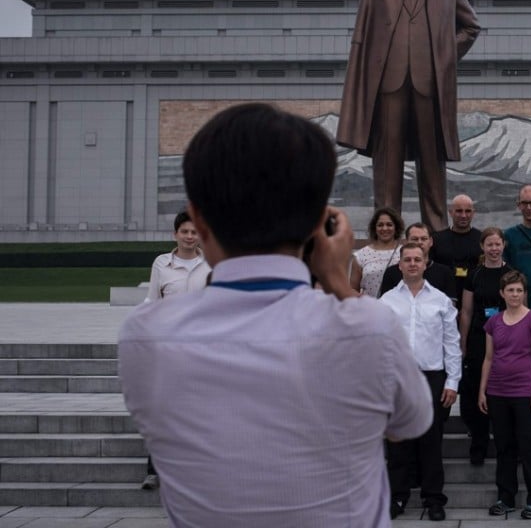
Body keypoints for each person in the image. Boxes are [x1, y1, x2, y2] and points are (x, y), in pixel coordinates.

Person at [119, 102, 433, 528]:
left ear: (199, 223)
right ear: (320, 225)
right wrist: (339, 284)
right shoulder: (367, 327)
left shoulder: (145, 337)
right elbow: (411, 421)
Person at [309, 0, 481, 233]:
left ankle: (437, 231)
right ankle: (385, 230)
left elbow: (471, 27)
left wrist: (444, 58)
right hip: (387, 85)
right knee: (386, 164)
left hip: (430, 87)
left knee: (432, 163)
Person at [378, 242, 462, 521]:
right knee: (397, 441)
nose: (413, 263)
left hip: (432, 378)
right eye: (408, 259)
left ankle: (433, 498)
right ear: (399, 265)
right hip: (396, 378)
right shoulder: (386, 301)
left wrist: (452, 381)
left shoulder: (440, 300)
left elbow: (451, 343)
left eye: (418, 259)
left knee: (430, 441)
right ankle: (398, 497)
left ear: (426, 263)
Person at [139, 209, 212, 490]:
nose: (190, 237)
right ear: (175, 234)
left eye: (194, 232)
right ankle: (154, 470)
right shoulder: (162, 264)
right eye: (185, 231)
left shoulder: (209, 266)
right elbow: (152, 302)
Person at [478, 270, 531, 520]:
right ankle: (505, 497)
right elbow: (488, 358)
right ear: (502, 293)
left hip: (524, 392)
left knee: (529, 447)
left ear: (524, 293)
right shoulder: (493, 322)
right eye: (510, 290)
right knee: (504, 447)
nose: (515, 294)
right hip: (497, 392)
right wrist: (482, 391)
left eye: (519, 290)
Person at [459, 226, 514, 465]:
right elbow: (466, 311)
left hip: (507, 339)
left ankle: (509, 446)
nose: (494, 248)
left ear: (504, 245)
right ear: (482, 247)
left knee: (504, 392)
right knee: (475, 392)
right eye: (489, 244)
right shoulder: (475, 274)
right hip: (480, 338)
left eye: (497, 244)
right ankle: (479, 444)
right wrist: (462, 343)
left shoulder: (512, 274)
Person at [378, 223, 456, 299]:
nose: (419, 242)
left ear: (431, 242)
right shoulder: (392, 273)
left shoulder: (445, 273)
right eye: (415, 239)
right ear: (406, 242)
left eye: (424, 239)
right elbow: (385, 305)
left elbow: (450, 307)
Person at [431, 194, 483, 308]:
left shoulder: (482, 239)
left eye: (468, 211)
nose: (464, 215)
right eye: (459, 211)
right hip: (442, 301)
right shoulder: (436, 240)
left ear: (473, 213)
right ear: (450, 212)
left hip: (475, 301)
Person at [351, 206, 404, 297]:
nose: (384, 228)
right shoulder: (361, 255)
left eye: (389, 225)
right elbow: (352, 289)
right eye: (380, 225)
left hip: (399, 308)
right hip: (370, 308)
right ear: (374, 228)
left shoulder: (405, 252)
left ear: (396, 227)